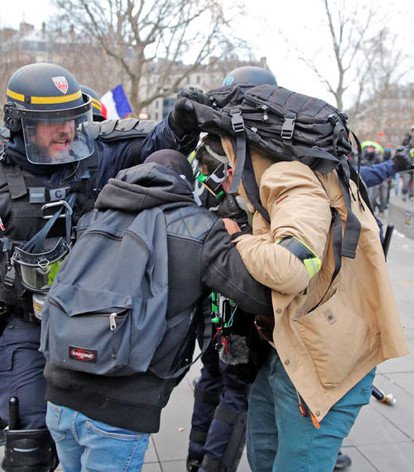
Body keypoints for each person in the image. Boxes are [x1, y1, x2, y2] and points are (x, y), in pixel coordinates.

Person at [0, 62, 199, 470]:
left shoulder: (99, 152)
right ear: (20, 124)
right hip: (24, 324)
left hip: (93, 324)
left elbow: (159, 141)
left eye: (72, 118)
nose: (67, 130)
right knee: (28, 447)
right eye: (53, 122)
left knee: (90, 438)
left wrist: (181, 119)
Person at [42, 149, 272, 472]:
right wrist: (242, 241)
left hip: (58, 394)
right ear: (187, 185)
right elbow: (257, 297)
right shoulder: (202, 229)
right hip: (121, 408)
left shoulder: (95, 215)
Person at [210, 109, 410, 470]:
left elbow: (291, 268)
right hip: (285, 357)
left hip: (320, 368)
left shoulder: (288, 177)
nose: (224, 170)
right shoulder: (283, 177)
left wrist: (236, 238)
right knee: (264, 456)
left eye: (225, 155)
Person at [185, 65, 277, 472]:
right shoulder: (263, 152)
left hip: (208, 283)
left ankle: (194, 457)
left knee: (212, 376)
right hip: (242, 287)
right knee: (237, 384)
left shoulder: (206, 148)